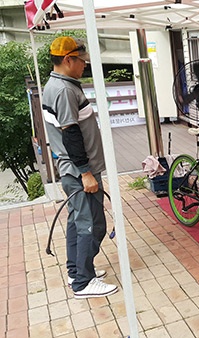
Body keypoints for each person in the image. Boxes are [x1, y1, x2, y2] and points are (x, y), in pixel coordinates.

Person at [42, 36, 118, 299]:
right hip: (78, 172)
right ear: (67, 60)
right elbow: (70, 134)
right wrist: (86, 172)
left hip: (73, 169)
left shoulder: (59, 85)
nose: (84, 65)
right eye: (82, 60)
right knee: (91, 225)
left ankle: (77, 271)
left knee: (77, 222)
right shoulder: (64, 90)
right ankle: (83, 283)